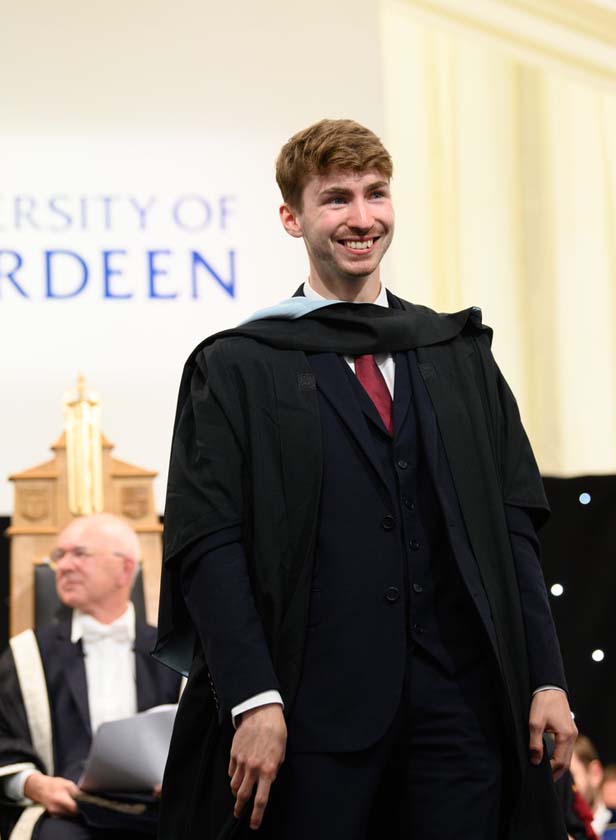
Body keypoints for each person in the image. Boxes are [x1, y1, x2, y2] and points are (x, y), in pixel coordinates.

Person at [155, 118, 577, 839]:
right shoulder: (238, 367)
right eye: (336, 199)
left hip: (460, 712)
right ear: (292, 218)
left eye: (375, 194)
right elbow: (209, 544)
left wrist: (545, 676)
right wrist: (253, 698)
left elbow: (513, 527)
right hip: (310, 717)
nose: (361, 218)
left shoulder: (456, 355)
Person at [0, 513, 182, 840]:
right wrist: (34, 784)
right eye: (59, 555)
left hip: (157, 809)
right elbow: (4, 740)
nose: (63, 566)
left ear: (125, 568)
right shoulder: (27, 654)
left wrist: (181, 777)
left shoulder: (174, 653)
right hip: (65, 813)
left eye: (79, 554)